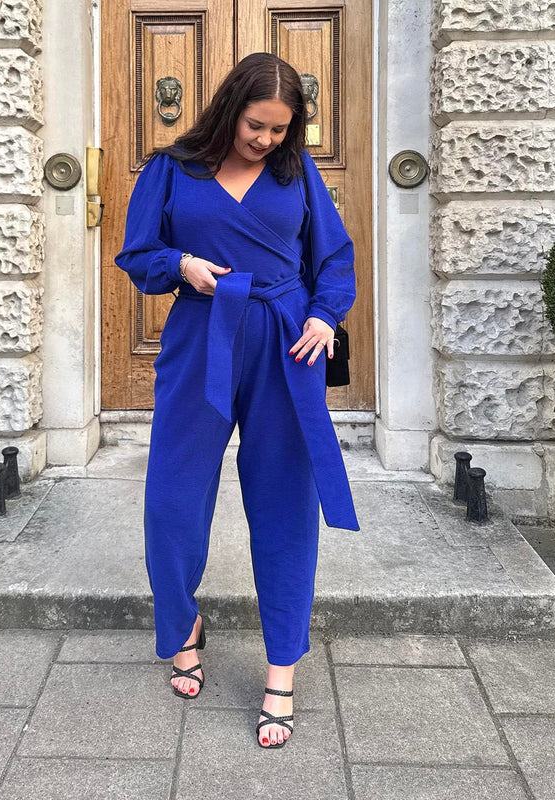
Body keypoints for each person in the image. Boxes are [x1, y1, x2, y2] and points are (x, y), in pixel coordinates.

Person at [115, 52, 359, 750]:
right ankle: (181, 625)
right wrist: (180, 265)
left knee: (285, 501)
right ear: (229, 111)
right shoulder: (171, 169)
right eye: (257, 126)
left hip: (287, 342)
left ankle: (281, 668)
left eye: (280, 130)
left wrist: (324, 316)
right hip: (202, 335)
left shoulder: (296, 171)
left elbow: (333, 257)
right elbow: (138, 255)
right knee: (171, 498)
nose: (266, 140)